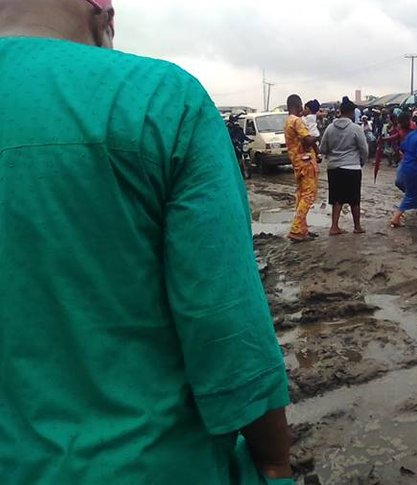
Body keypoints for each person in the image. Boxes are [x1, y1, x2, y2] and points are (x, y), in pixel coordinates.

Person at [0, 1, 293, 484]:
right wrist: (275, 461)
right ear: (102, 13)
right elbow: (224, 324)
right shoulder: (163, 99)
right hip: (149, 462)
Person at [320, 97, 368, 236]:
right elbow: (364, 149)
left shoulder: (329, 128)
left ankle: (334, 227)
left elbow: (323, 148)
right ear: (352, 113)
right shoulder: (356, 129)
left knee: (336, 198)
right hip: (352, 167)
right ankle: (357, 226)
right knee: (354, 199)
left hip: (334, 168)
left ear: (340, 111)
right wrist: (361, 162)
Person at [285, 94, 319, 242]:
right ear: (298, 106)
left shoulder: (287, 121)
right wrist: (318, 135)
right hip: (305, 162)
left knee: (301, 195)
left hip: (297, 163)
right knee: (308, 195)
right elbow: (307, 139)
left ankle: (302, 229)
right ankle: (296, 228)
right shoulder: (297, 121)